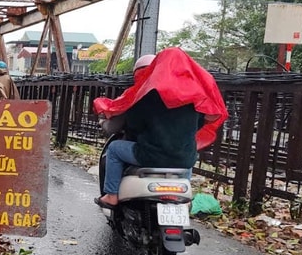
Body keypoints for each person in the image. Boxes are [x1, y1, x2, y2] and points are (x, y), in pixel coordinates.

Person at [92, 47, 228, 209]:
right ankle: (186, 202)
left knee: (114, 148)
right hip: (184, 160)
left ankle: (111, 196)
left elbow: (134, 125)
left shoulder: (145, 95)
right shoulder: (195, 97)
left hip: (150, 156)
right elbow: (199, 124)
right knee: (188, 154)